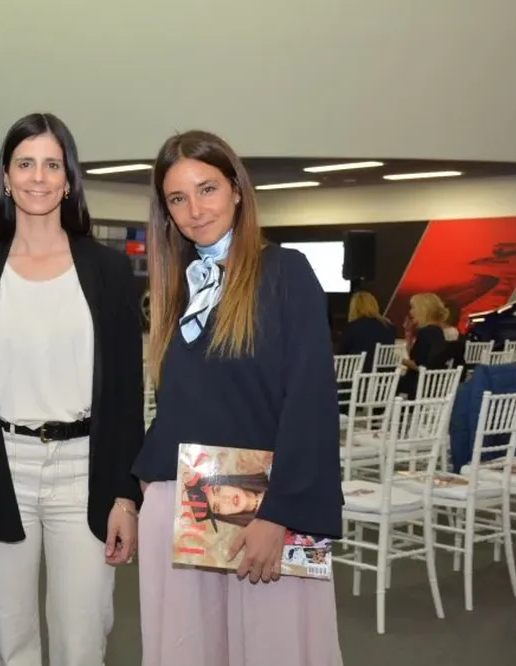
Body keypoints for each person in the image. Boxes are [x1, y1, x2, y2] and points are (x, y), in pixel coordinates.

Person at [133, 129, 344, 666]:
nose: (194, 210)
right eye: (177, 199)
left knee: (275, 651)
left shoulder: (286, 273)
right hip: (183, 505)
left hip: (265, 511)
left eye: (206, 189)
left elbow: (310, 403)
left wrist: (281, 515)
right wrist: (138, 485)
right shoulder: (177, 285)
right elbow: (178, 401)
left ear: (236, 191)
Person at [0, 112, 144, 666]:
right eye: (25, 163)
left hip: (86, 470)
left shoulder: (106, 271)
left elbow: (129, 393)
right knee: (7, 642)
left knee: (83, 641)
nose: (38, 176)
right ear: (5, 178)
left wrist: (126, 496)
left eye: (52, 164)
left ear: (68, 178)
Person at [399, 292, 451, 397]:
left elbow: (419, 365)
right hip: (431, 384)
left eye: (413, 308)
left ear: (423, 310)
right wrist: (408, 334)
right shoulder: (437, 331)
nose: (410, 312)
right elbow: (416, 358)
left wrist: (399, 360)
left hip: (418, 383)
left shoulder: (426, 332)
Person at [338, 290, 396, 370]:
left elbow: (341, 355)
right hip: (384, 378)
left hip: (357, 377)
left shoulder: (352, 327)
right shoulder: (389, 327)